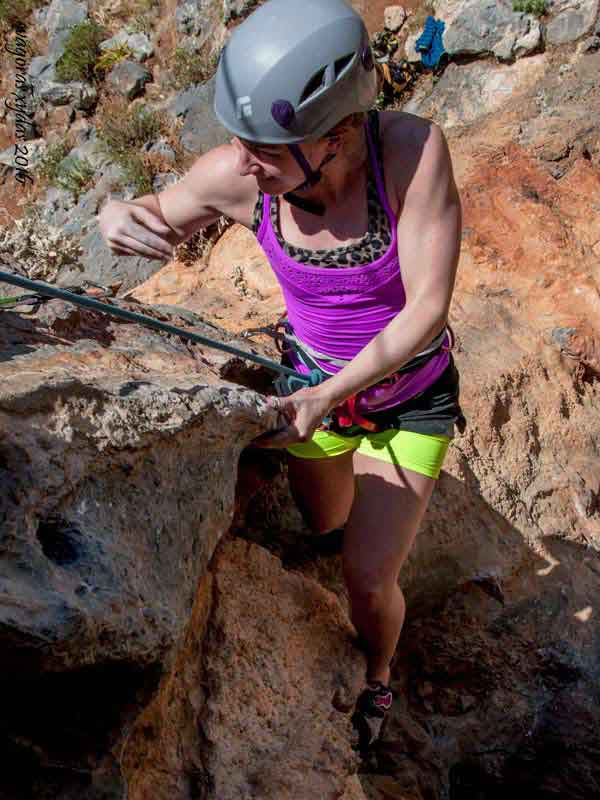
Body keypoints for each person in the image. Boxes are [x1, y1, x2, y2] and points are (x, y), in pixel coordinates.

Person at [98, 0, 465, 753]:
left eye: (264, 147)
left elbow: (425, 308)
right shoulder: (236, 180)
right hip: (314, 394)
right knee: (323, 523)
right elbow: (156, 214)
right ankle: (344, 531)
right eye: (238, 141)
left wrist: (332, 393)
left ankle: (380, 670)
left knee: (367, 580)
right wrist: (117, 211)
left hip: (406, 399)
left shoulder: (411, 155)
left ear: (335, 136)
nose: (241, 162)